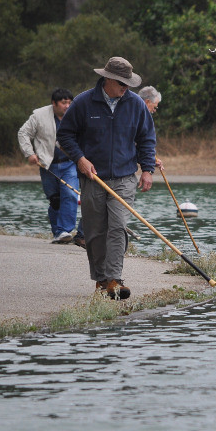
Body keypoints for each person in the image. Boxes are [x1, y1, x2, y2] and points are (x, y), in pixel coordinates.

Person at [57, 57, 156, 300]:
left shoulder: (135, 104)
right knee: (95, 231)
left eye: (128, 83)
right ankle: (101, 280)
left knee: (118, 227)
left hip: (124, 178)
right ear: (108, 79)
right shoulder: (83, 102)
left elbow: (147, 138)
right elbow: (65, 135)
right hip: (93, 178)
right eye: (122, 83)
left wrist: (147, 169)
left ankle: (115, 278)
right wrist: (80, 159)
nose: (126, 88)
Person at [18, 88, 86, 247]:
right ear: (54, 103)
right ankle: (58, 233)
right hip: (47, 164)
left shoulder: (76, 115)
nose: (67, 106)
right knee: (55, 200)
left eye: (70, 102)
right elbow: (23, 133)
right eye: (64, 102)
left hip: (70, 163)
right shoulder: (39, 116)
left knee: (69, 194)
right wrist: (29, 153)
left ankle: (65, 230)